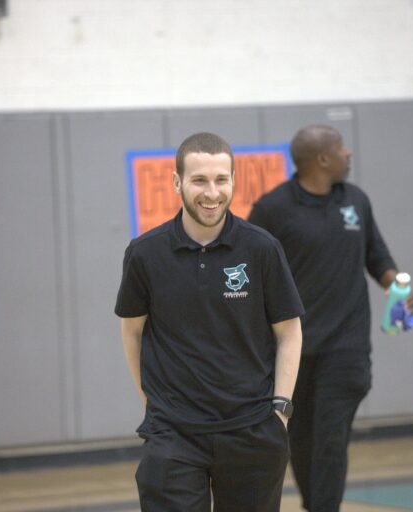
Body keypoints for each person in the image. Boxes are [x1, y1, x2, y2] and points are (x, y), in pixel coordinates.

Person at [115, 132, 304, 512]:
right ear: (176, 182)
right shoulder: (145, 254)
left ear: (234, 180)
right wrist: (151, 402)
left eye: (221, 180)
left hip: (252, 430)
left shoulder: (262, 248)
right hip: (174, 434)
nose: (212, 193)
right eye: (199, 180)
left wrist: (280, 410)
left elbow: (289, 332)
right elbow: (132, 332)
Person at [248, 124, 413, 512]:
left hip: (347, 348)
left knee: (330, 439)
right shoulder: (273, 209)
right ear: (323, 158)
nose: (349, 153)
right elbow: (251, 271)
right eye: (342, 147)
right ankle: (317, 504)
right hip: (293, 349)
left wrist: (397, 286)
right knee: (300, 440)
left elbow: (377, 256)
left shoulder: (356, 201)